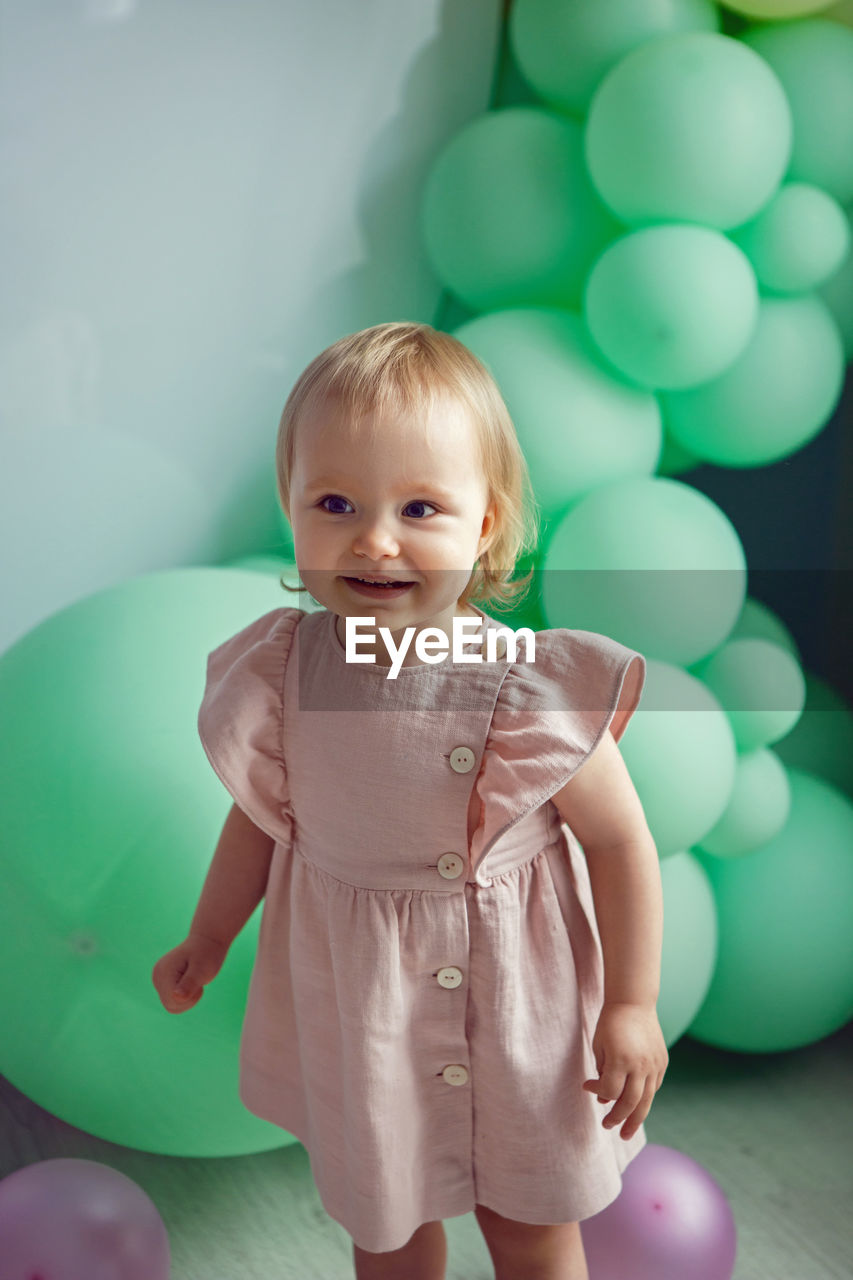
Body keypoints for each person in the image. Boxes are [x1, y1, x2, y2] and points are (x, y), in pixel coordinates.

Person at [152, 322, 668, 1280]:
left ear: (482, 526)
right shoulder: (284, 673)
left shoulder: (527, 689)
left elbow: (620, 845)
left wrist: (631, 1004)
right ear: (291, 507)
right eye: (335, 502)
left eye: (420, 507)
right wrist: (209, 936)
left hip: (521, 1007)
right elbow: (262, 824)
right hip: (365, 1006)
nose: (375, 539)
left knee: (530, 1225)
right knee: (384, 1222)